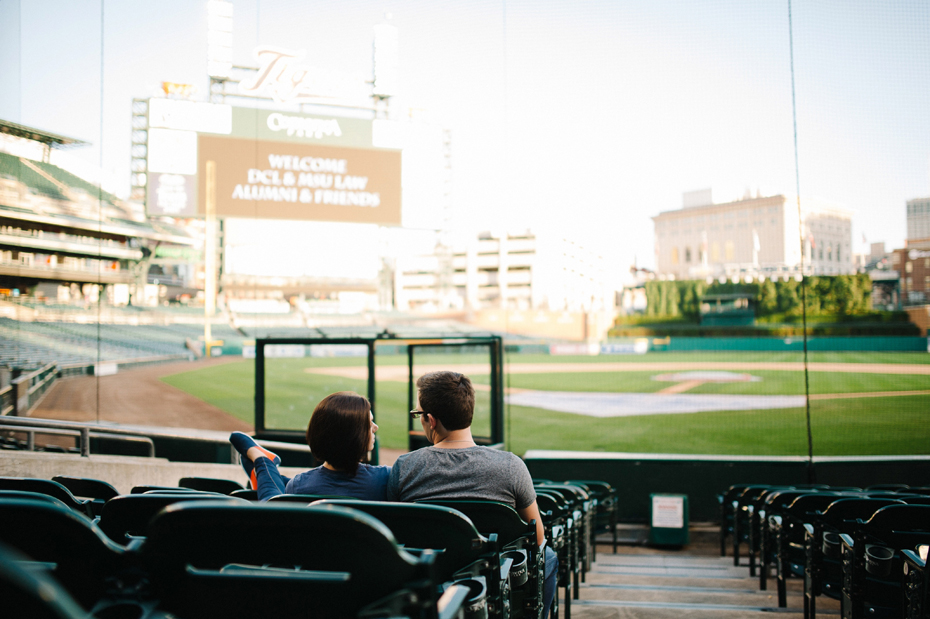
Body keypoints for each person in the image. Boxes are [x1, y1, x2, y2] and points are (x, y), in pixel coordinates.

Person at [387, 370, 558, 619]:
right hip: (495, 582)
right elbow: (538, 538)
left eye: (418, 415)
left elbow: (397, 538)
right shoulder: (511, 466)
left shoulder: (404, 468)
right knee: (549, 556)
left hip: (433, 580)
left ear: (431, 420)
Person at [229, 391, 389, 501]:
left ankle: (262, 461)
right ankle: (264, 464)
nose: (376, 427)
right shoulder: (385, 479)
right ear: (354, 436)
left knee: (271, 500)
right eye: (369, 424)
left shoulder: (299, 485)